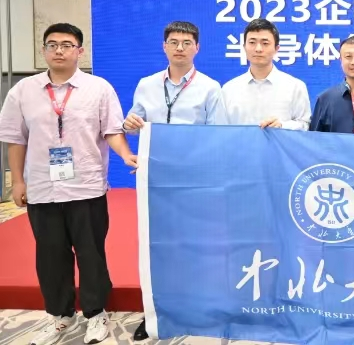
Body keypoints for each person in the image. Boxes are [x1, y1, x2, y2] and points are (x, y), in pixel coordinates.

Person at [0, 23, 137, 345]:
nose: (59, 50)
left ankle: (95, 312)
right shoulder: (23, 91)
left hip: (86, 186)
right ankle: (60, 314)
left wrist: (126, 155)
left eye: (66, 45)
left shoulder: (98, 88)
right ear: (44, 50)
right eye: (52, 45)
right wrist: (17, 181)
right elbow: (16, 139)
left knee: (91, 253)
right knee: (50, 255)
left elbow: (112, 130)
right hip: (42, 188)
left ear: (80, 51)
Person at [122, 21, 222, 341]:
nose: (180, 47)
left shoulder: (210, 88)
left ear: (197, 48)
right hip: (155, 180)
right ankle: (155, 313)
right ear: (164, 46)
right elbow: (133, 124)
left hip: (193, 181)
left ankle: (195, 309)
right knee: (157, 247)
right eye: (174, 42)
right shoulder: (147, 85)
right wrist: (130, 123)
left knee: (194, 245)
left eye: (187, 42)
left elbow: (216, 137)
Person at [219, 18, 311, 129]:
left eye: (265, 43)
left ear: (276, 48)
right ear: (244, 47)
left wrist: (282, 125)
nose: (258, 49)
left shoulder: (295, 87)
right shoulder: (229, 90)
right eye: (252, 42)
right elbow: (221, 130)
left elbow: (305, 126)